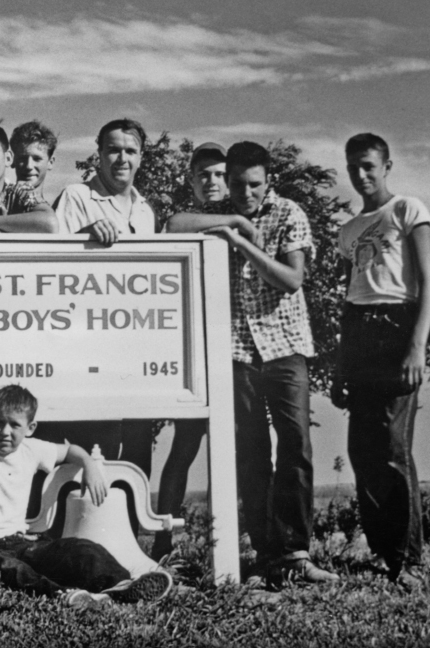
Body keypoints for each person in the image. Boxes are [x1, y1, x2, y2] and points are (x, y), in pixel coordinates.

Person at [167, 141, 338, 588]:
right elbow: (173, 224)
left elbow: (291, 279)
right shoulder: (224, 212)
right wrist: (235, 220)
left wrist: (240, 242)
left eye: (254, 185)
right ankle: (265, 555)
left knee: (295, 445)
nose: (246, 192)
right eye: (237, 183)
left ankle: (296, 551)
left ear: (269, 180)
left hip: (284, 347)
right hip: (238, 352)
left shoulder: (290, 214)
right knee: (251, 454)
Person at [0, 385, 173, 606]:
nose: (5, 432)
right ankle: (63, 594)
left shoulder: (32, 448)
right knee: (9, 569)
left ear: (30, 428)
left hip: (16, 542)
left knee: (82, 548)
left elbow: (70, 451)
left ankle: (121, 585)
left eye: (14, 425)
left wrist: (88, 464)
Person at [334, 133, 430, 589]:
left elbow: (429, 285)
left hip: (398, 325)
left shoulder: (407, 210)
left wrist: (417, 345)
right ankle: (382, 552)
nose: (362, 174)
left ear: (387, 165)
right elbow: (350, 295)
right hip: (358, 331)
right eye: (354, 167)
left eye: (369, 166)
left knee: (394, 449)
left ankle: (408, 558)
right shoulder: (349, 230)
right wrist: (340, 363)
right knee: (362, 451)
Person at [50, 118, 158, 484]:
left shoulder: (146, 211)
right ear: (99, 153)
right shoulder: (76, 197)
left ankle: (129, 535)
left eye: (130, 151)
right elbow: (50, 267)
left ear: (141, 157)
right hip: (88, 348)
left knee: (140, 448)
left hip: (134, 347)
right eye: (113, 149)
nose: (121, 158)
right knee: (98, 448)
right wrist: (82, 236)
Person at [151, 142, 229, 559]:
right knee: (184, 447)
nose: (212, 182)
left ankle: (234, 541)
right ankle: (165, 540)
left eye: (219, 174)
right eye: (204, 175)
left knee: (243, 449)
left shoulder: (251, 213)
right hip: (196, 349)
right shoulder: (187, 217)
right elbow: (174, 224)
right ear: (192, 180)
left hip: (240, 349)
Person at [10, 121, 57, 201]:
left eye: (37, 159)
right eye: (22, 158)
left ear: (50, 162)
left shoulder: (52, 212)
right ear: (13, 160)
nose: (29, 166)